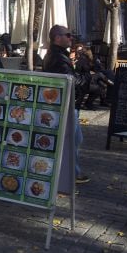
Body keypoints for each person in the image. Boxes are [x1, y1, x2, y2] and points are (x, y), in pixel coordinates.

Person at [42, 25, 90, 184]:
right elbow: (70, 81)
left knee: (75, 139)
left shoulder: (59, 55)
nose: (71, 38)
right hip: (66, 105)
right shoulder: (57, 57)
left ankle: (71, 171)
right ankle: (71, 173)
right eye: (67, 35)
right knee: (72, 140)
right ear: (57, 38)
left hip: (68, 104)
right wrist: (86, 77)